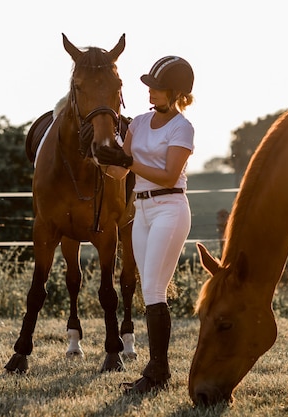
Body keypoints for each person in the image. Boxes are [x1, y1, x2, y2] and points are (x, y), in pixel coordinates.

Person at [96, 56, 195, 394]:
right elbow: (119, 172)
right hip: (141, 210)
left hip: (170, 207)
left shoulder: (182, 128)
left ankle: (157, 374)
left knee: (154, 288)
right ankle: (157, 373)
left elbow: (168, 174)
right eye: (150, 87)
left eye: (158, 88)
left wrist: (129, 161)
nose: (151, 92)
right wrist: (102, 159)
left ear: (177, 93)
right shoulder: (137, 123)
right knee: (147, 287)